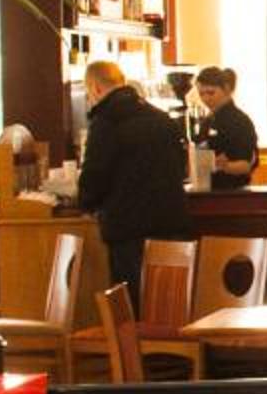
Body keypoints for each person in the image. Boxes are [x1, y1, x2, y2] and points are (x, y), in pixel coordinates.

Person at [76, 61, 190, 297]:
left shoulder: (106, 121)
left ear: (95, 88)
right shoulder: (160, 117)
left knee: (134, 300)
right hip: (170, 221)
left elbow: (95, 173)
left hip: (128, 227)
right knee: (167, 298)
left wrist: (86, 203)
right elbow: (181, 166)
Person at [192, 66, 260, 191]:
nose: (206, 98)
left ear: (226, 89)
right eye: (201, 94)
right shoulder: (207, 121)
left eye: (211, 93)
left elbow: (246, 165)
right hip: (206, 189)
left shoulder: (240, 121)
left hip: (233, 192)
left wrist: (225, 166)